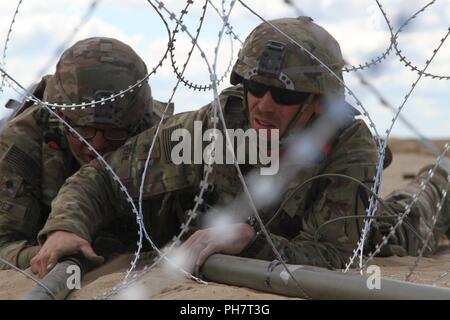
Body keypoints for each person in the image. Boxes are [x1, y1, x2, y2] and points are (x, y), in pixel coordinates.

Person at [31, 17, 448, 278]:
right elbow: (104, 178)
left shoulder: (346, 149)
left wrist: (248, 241)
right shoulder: (218, 124)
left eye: (284, 97)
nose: (263, 106)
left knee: (417, 212)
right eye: (256, 87)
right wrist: (68, 225)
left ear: (319, 103)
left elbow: (333, 255)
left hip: (361, 228)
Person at [0, 37, 173, 270]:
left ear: (136, 123)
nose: (97, 145)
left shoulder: (160, 135)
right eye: (84, 130)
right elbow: (3, 245)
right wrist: (49, 253)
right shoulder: (20, 146)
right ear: (60, 117)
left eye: (115, 132)